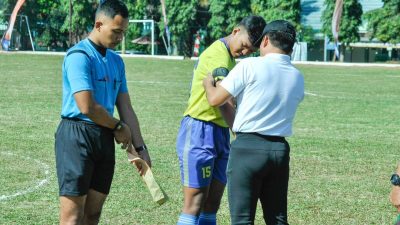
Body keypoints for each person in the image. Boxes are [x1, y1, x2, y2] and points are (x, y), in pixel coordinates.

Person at [54, 1, 151, 224]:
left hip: (104, 138)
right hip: (76, 136)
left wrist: (141, 147)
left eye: (124, 32)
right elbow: (86, 106)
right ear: (99, 24)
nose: (120, 38)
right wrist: (117, 127)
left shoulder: (116, 61)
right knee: (72, 217)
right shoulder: (79, 56)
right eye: (116, 31)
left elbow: (125, 106)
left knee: (93, 214)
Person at [203, 20, 304, 225]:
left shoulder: (249, 65)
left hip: (247, 149)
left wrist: (208, 83)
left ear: (265, 40)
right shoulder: (297, 76)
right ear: (291, 48)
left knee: (242, 220)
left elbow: (215, 99)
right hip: (279, 150)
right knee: (277, 219)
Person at [176, 16, 266, 225]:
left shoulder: (230, 59)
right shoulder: (218, 55)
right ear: (236, 31)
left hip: (219, 132)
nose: (244, 52)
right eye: (244, 46)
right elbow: (222, 100)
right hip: (199, 129)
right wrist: (239, 131)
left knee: (212, 203)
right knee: (195, 202)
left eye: (250, 51)